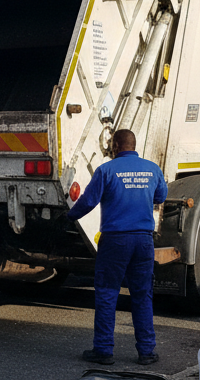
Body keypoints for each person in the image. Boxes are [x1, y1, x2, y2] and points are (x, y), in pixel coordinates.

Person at [65, 129, 168, 366]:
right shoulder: (152, 169)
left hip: (115, 241)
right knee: (142, 295)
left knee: (107, 293)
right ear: (134, 144)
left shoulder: (106, 170)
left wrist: (70, 216)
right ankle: (147, 351)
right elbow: (161, 196)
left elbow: (88, 202)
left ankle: (103, 350)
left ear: (116, 146)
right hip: (143, 240)